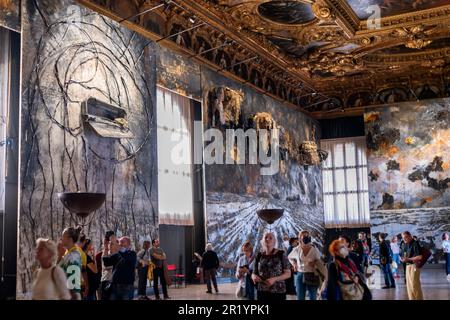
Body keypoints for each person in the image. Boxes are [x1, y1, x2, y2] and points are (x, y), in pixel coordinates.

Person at [251, 232, 291, 301]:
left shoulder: (281, 254)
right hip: (262, 291)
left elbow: (288, 274)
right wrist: (254, 276)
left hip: (278, 291)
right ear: (262, 240)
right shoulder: (259, 255)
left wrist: (275, 279)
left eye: (270, 238)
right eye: (265, 237)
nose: (267, 239)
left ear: (274, 241)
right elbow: (253, 273)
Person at [288, 231, 323, 300]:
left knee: (313, 296)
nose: (306, 237)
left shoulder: (314, 249)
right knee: (300, 297)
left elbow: (319, 260)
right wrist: (294, 264)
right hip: (300, 274)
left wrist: (314, 263)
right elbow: (289, 257)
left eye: (308, 235)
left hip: (312, 274)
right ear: (300, 238)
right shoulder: (297, 249)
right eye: (304, 236)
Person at [102, 236, 137, 300]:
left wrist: (116, 245)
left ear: (129, 244)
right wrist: (106, 248)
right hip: (114, 286)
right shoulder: (117, 254)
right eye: (119, 242)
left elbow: (126, 258)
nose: (120, 243)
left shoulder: (132, 253)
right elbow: (106, 263)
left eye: (122, 242)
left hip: (127, 287)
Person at [57, 226, 83, 300]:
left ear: (70, 239)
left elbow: (73, 284)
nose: (61, 238)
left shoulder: (73, 256)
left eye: (63, 236)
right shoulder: (68, 254)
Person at [401, 231, 424, 300]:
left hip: (414, 266)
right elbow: (405, 254)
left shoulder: (415, 243)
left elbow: (420, 257)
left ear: (410, 236)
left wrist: (408, 259)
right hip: (408, 266)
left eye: (405, 238)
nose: (404, 239)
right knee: (409, 286)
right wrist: (404, 259)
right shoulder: (405, 244)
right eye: (403, 238)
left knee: (415, 285)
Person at [100, 230, 115, 300]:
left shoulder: (117, 251)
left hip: (114, 281)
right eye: (106, 240)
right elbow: (105, 266)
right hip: (106, 280)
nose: (107, 242)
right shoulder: (105, 252)